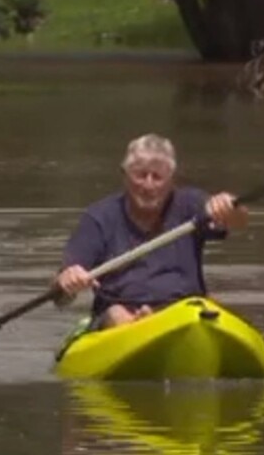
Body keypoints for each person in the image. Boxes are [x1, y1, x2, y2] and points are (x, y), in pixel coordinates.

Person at [54, 133, 247, 330]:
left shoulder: (190, 205)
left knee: (207, 306)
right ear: (125, 175)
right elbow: (61, 297)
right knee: (116, 314)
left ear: (171, 180)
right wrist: (68, 279)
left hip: (182, 311)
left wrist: (229, 206)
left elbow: (238, 220)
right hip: (119, 316)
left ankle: (155, 321)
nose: (148, 185)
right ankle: (139, 326)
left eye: (157, 177)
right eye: (140, 175)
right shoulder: (99, 217)